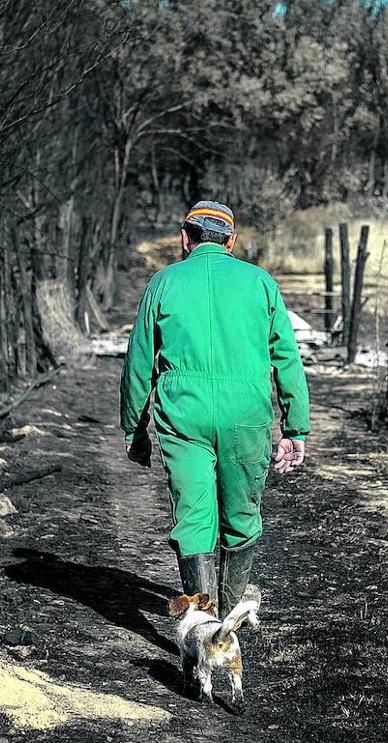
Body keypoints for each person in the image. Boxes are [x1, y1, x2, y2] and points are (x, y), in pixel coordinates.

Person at [119, 200, 310, 618]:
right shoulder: (261, 283)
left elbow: (138, 361)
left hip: (183, 417)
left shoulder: (164, 283)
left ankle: (202, 627)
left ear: (184, 239)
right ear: (232, 241)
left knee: (193, 520)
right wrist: (295, 427)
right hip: (246, 416)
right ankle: (227, 620)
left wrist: (134, 427)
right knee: (241, 517)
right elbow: (287, 358)